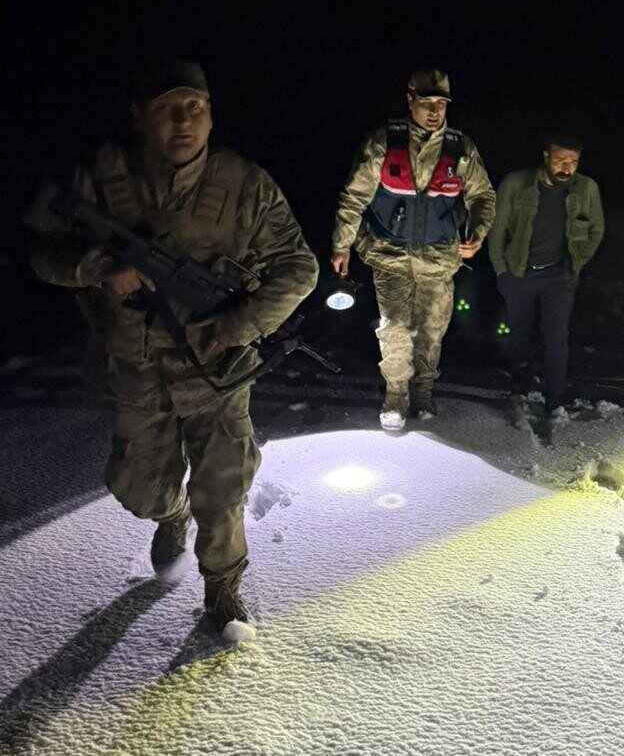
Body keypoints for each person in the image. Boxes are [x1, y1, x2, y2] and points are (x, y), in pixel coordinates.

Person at [25, 57, 318, 633]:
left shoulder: (244, 185)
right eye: (167, 110)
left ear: (210, 116)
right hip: (136, 366)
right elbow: (43, 252)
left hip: (219, 368)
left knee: (224, 487)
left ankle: (223, 589)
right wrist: (100, 267)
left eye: (195, 108)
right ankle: (172, 513)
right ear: (141, 118)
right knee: (137, 489)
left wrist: (238, 324)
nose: (184, 122)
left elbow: (299, 267)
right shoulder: (102, 179)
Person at [331, 68, 495, 431]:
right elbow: (354, 196)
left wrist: (477, 232)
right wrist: (341, 244)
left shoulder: (460, 148)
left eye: (441, 103)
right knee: (395, 329)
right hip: (390, 256)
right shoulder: (383, 142)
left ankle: (423, 392)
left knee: (433, 330)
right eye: (426, 102)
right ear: (410, 100)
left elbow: (483, 195)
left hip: (439, 259)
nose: (434, 110)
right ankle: (395, 396)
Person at [488, 133, 604, 411]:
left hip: (559, 274)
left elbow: (596, 230)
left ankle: (555, 397)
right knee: (519, 333)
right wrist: (502, 271)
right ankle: (519, 380)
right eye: (560, 160)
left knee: (556, 334)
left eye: (573, 161)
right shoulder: (516, 183)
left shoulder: (586, 188)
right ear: (546, 156)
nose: (567, 167)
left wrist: (577, 263)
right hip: (520, 272)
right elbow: (497, 229)